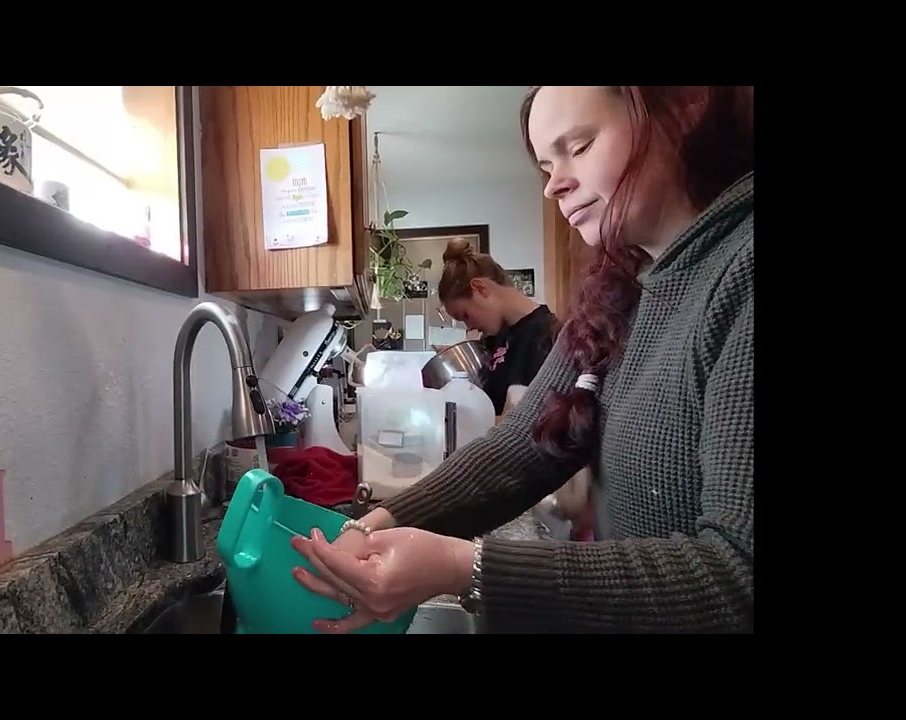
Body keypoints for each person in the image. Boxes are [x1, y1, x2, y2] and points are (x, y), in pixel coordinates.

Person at [290, 85, 754, 634]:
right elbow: (525, 447)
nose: (555, 184)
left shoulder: (740, 272)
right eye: (545, 165)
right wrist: (376, 525)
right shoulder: (623, 291)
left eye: (578, 147)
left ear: (684, 104)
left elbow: (735, 576)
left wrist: (466, 568)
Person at [434, 241, 561, 416]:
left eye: (465, 315)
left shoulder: (549, 338)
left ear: (480, 288)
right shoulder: (496, 337)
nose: (469, 326)